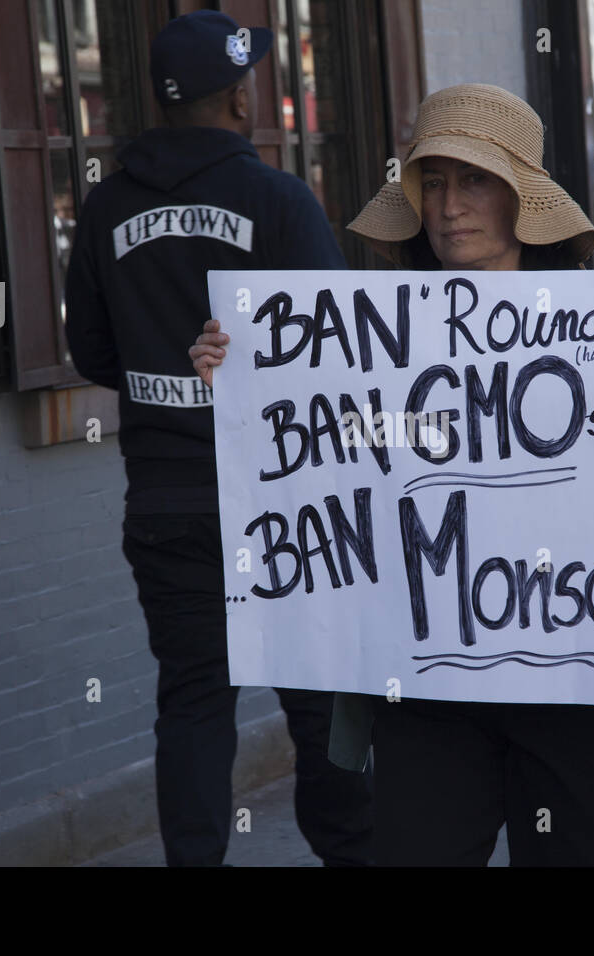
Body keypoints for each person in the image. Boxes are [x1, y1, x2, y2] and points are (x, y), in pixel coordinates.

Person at [191, 83, 594, 866]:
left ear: (521, 197)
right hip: (426, 689)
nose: (448, 204)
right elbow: (310, 455)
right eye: (432, 181)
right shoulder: (366, 337)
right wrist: (241, 380)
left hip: (579, 689)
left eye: (474, 180)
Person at [64, 10, 373, 867]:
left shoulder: (106, 205)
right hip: (285, 499)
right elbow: (337, 347)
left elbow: (91, 351)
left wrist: (164, 373)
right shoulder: (276, 198)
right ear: (239, 98)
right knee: (318, 704)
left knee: (195, 703)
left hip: (166, 500)